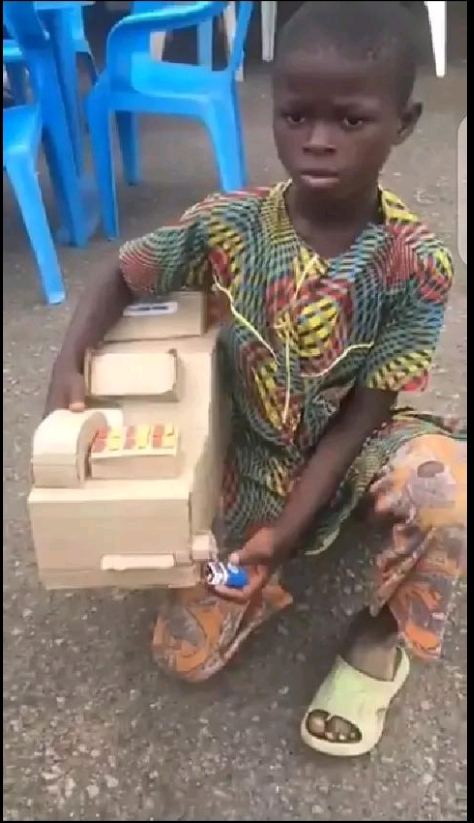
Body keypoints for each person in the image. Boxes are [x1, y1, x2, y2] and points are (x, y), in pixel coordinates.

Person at [45, 1, 466, 758]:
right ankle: (264, 561)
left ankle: (378, 634)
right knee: (183, 655)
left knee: (448, 491)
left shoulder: (417, 263)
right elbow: (124, 273)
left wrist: (290, 529)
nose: (318, 140)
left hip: (355, 443)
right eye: (296, 115)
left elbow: (367, 408)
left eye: (351, 120)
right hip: (252, 462)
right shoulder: (226, 226)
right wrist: (68, 363)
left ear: (403, 124)